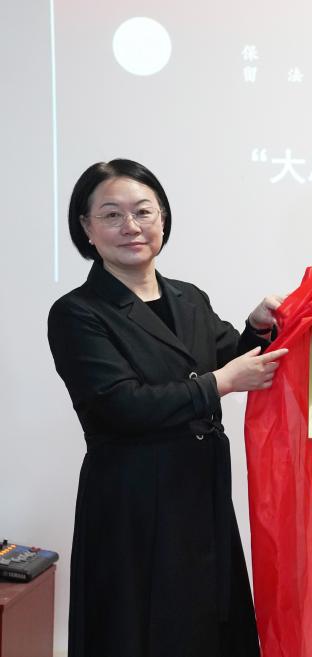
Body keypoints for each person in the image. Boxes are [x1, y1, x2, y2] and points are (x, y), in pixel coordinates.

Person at [48, 159, 289, 657]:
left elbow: (230, 357)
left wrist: (257, 328)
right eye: (111, 215)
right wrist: (220, 384)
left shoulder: (188, 298)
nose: (131, 226)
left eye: (143, 211)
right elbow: (120, 406)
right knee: (137, 631)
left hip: (199, 492)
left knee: (206, 625)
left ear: (163, 218)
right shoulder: (77, 312)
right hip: (132, 502)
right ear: (86, 228)